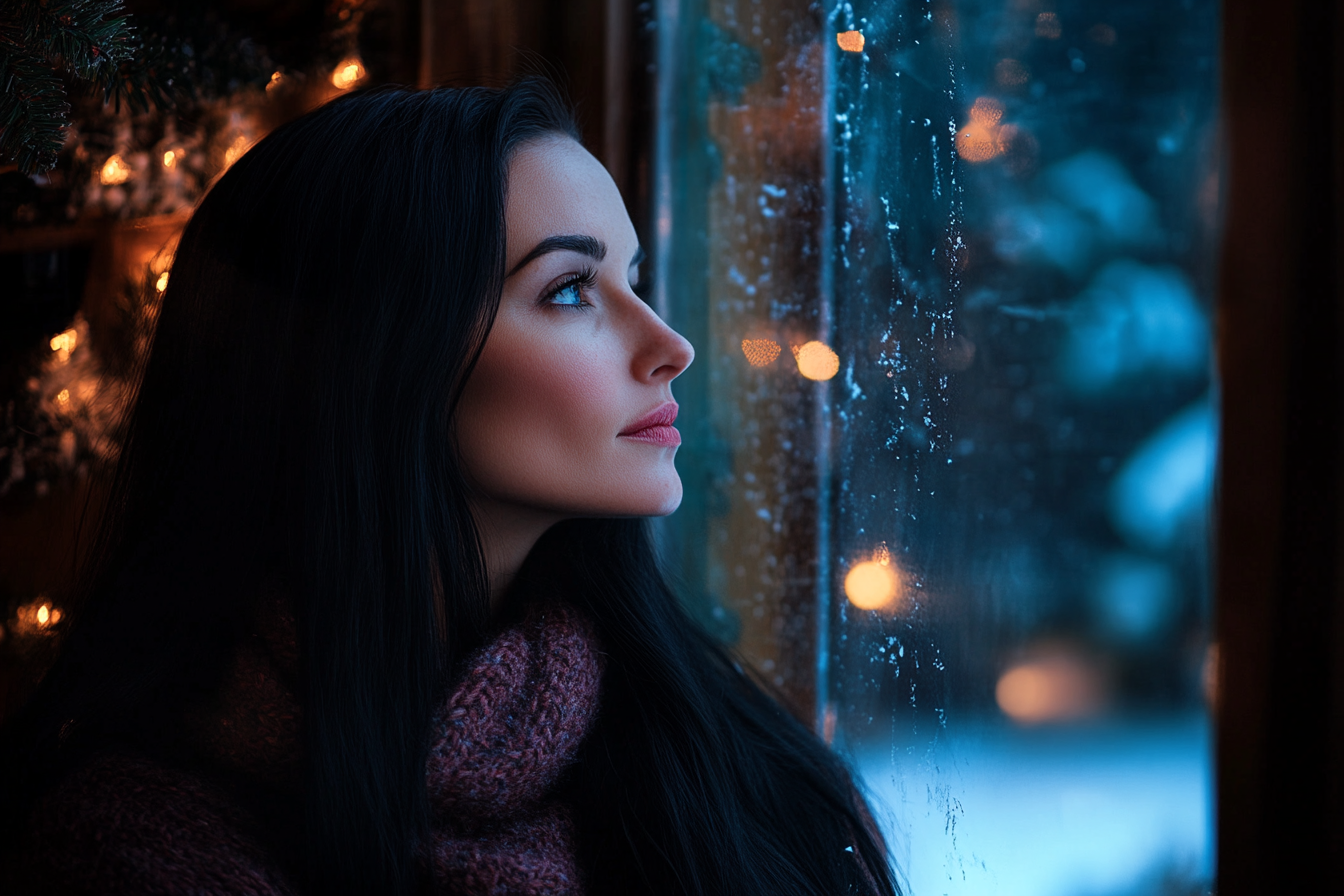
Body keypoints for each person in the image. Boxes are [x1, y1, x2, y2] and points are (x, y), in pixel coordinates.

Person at [0, 80, 900, 896]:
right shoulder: (135, 847)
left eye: (635, 279)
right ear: (374, 358)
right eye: (570, 291)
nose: (671, 344)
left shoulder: (724, 762)